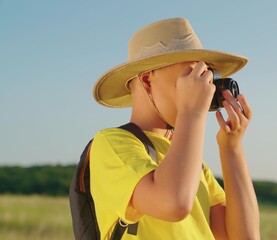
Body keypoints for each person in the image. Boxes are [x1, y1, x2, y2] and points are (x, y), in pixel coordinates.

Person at [90, 18, 260, 239]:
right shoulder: (112, 144)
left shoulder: (195, 168)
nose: (205, 88)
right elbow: (173, 203)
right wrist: (191, 112)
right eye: (192, 75)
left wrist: (232, 149)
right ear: (147, 81)